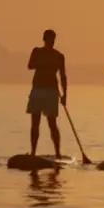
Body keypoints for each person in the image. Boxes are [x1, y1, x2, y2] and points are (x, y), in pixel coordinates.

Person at [26, 30, 68, 158]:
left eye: (53, 39)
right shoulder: (37, 51)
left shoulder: (59, 56)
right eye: (49, 39)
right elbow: (30, 65)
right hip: (37, 89)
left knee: (52, 123)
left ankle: (58, 153)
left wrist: (65, 94)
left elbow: (63, 76)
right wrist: (40, 63)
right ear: (44, 39)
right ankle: (33, 152)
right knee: (35, 122)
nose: (51, 42)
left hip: (51, 91)